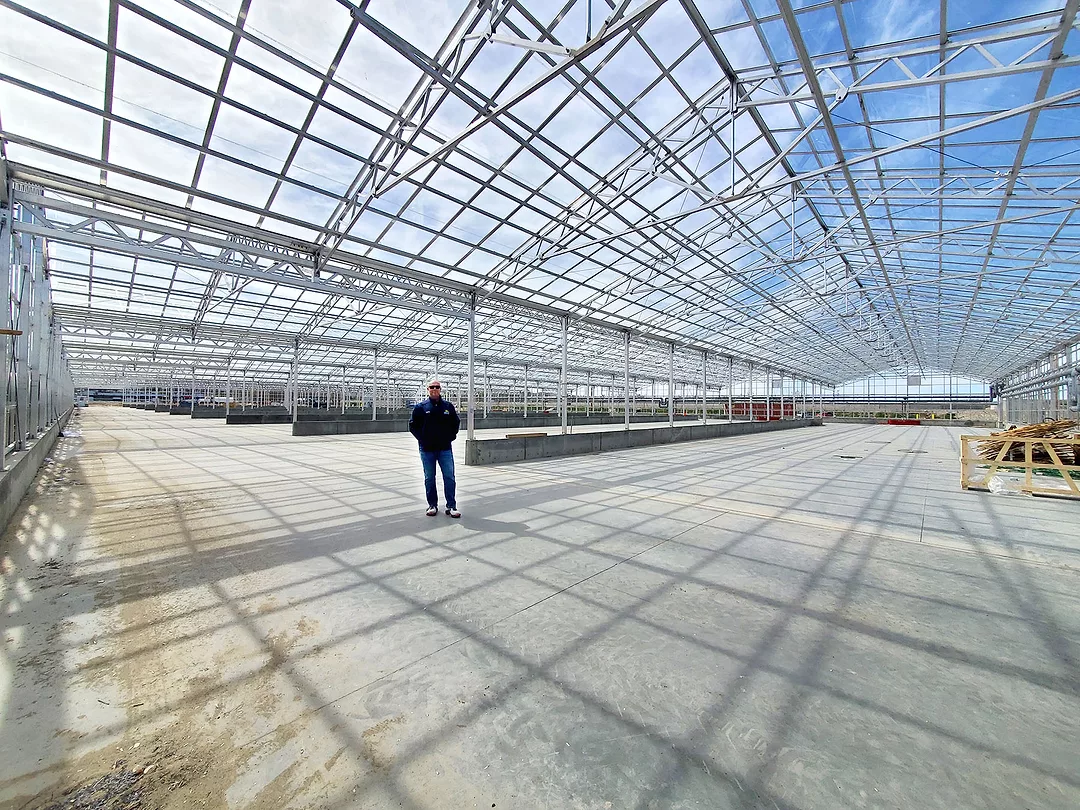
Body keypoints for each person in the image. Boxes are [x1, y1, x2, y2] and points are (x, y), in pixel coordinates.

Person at [408, 379, 461, 518]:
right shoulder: (421, 407)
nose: (434, 389)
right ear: (428, 389)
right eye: (432, 387)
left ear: (440, 389)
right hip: (427, 450)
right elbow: (413, 426)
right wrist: (422, 439)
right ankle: (432, 505)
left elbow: (455, 423)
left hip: (445, 449)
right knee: (429, 478)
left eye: (437, 387)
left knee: (449, 477)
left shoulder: (448, 407)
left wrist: (451, 437)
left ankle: (451, 506)